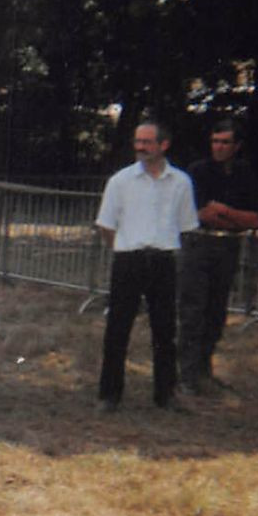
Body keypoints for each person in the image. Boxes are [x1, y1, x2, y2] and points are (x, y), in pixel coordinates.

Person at [94, 119, 199, 412]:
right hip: (129, 259)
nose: (140, 147)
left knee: (165, 331)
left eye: (147, 142)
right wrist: (124, 248)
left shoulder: (181, 182)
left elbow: (186, 225)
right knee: (117, 329)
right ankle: (110, 395)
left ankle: (166, 394)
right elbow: (106, 225)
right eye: (137, 141)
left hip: (163, 261)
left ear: (163, 145)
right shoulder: (120, 181)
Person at [177, 118, 258, 395]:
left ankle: (204, 368)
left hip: (228, 249)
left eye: (225, 142)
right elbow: (199, 214)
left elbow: (255, 218)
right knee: (193, 310)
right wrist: (231, 217)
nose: (219, 147)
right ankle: (186, 374)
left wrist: (225, 212)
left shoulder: (245, 173)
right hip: (198, 246)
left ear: (237, 146)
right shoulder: (198, 171)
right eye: (215, 141)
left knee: (216, 311)